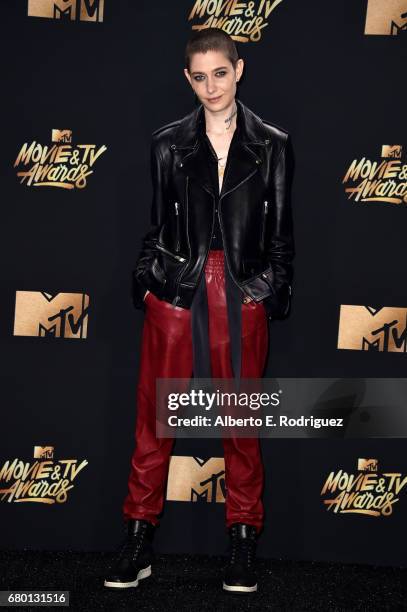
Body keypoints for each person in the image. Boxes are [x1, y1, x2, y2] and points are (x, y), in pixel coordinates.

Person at [104, 28, 294, 594]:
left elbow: (281, 234)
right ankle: (137, 543)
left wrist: (268, 289)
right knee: (154, 424)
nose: (211, 85)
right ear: (188, 79)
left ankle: (242, 544)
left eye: (220, 72)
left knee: (240, 425)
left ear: (239, 70)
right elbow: (157, 223)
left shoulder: (273, 143)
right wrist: (147, 282)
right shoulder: (167, 143)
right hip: (177, 292)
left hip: (239, 293)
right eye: (199, 75)